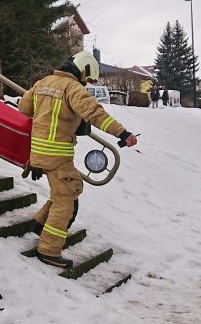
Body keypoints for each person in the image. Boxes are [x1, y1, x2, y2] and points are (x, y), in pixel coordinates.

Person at [18, 51, 138, 269]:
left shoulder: (42, 82)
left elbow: (24, 109)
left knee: (62, 192)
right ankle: (48, 250)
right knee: (67, 200)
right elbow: (94, 112)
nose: (88, 82)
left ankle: (39, 223)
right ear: (84, 70)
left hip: (38, 153)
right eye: (89, 78)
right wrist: (122, 133)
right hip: (57, 156)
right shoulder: (72, 88)